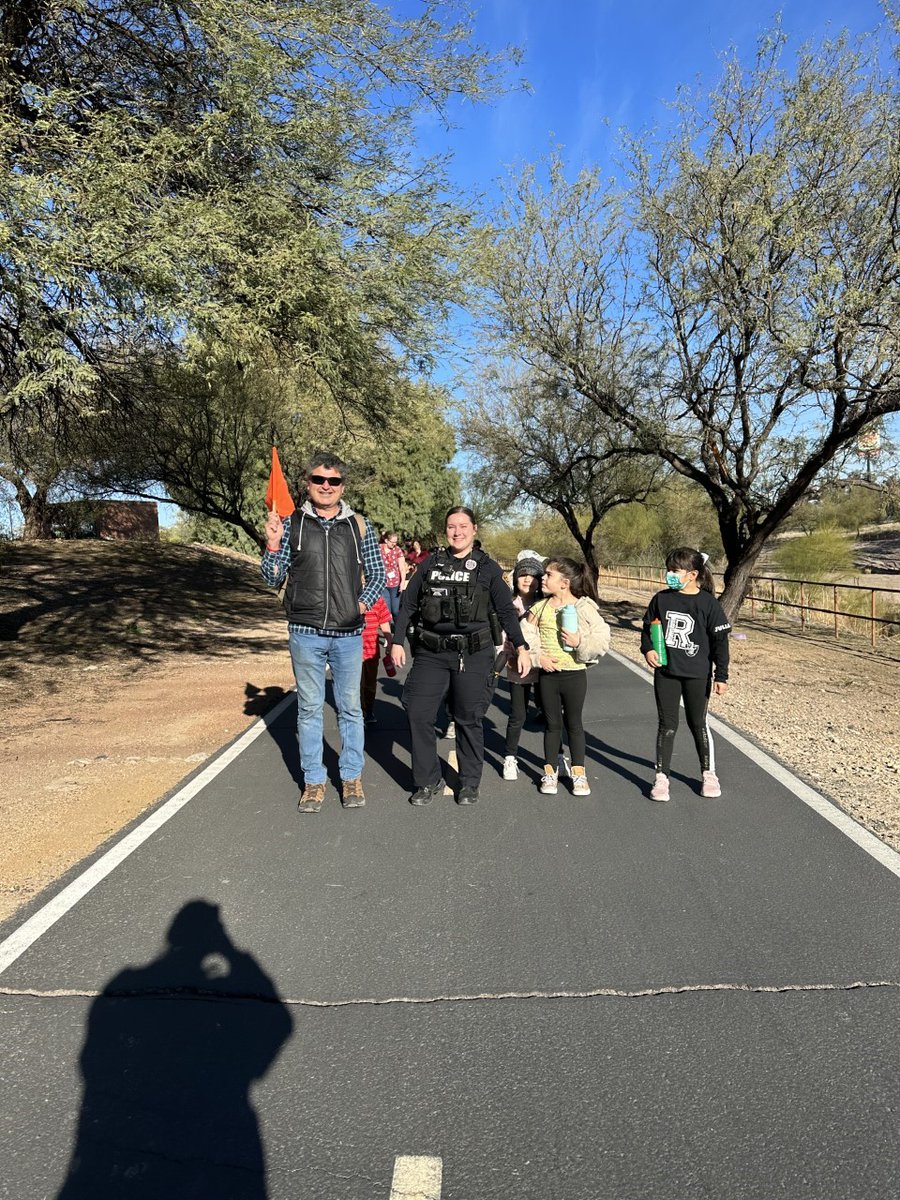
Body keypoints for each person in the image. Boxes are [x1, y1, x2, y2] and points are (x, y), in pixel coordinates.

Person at [261, 452, 386, 812]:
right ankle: (314, 781)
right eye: (319, 479)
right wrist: (273, 544)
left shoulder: (359, 525)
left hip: (348, 633)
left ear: (342, 486)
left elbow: (377, 574)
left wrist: (359, 606)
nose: (326, 486)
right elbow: (271, 577)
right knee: (309, 710)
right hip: (305, 631)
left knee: (350, 709)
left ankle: (351, 776)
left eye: (333, 481)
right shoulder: (292, 523)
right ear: (308, 483)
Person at [391, 507, 532, 806]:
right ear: (445, 531)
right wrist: (397, 641)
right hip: (431, 652)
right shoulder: (430, 564)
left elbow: (505, 611)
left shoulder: (488, 568)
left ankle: (469, 782)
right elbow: (408, 605)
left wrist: (521, 647)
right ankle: (427, 780)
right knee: (418, 712)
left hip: (473, 653)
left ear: (474, 529)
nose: (457, 532)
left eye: (463, 526)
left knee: (469, 717)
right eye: (451, 526)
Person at [640, 547, 731, 802]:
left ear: (692, 574)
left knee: (698, 723)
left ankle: (709, 774)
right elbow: (647, 630)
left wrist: (721, 676)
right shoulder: (661, 599)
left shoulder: (709, 604)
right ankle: (661, 777)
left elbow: (721, 643)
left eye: (675, 571)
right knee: (667, 725)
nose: (669, 575)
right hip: (666, 673)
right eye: (668, 570)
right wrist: (648, 649)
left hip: (697, 675)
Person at [519, 557, 611, 796]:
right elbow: (526, 636)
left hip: (575, 675)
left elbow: (602, 637)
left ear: (565, 582)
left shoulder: (584, 607)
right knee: (552, 725)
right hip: (548, 677)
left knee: (574, 725)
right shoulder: (539, 608)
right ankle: (550, 772)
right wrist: (538, 658)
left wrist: (580, 642)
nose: (542, 578)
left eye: (549, 575)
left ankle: (579, 774)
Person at [501, 551, 546, 781]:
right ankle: (510, 758)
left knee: (551, 715)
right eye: (523, 574)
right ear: (515, 578)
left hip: (545, 665)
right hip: (517, 664)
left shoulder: (546, 604)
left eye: (533, 575)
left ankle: (556, 758)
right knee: (518, 714)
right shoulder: (508, 604)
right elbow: (501, 636)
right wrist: (507, 655)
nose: (528, 579)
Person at [361, 594, 393, 725]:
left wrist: (389, 641)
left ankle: (368, 709)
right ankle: (358, 713)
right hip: (352, 650)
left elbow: (384, 620)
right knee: (355, 685)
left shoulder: (377, 598)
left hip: (371, 650)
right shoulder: (349, 595)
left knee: (369, 683)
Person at [379, 530, 408, 623]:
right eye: (392, 542)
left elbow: (402, 567)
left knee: (395, 610)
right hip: (383, 584)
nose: (394, 544)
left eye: (396, 542)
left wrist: (402, 581)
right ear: (386, 540)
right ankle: (389, 630)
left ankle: (398, 626)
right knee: (387, 610)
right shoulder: (378, 549)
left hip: (395, 584)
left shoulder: (397, 550)